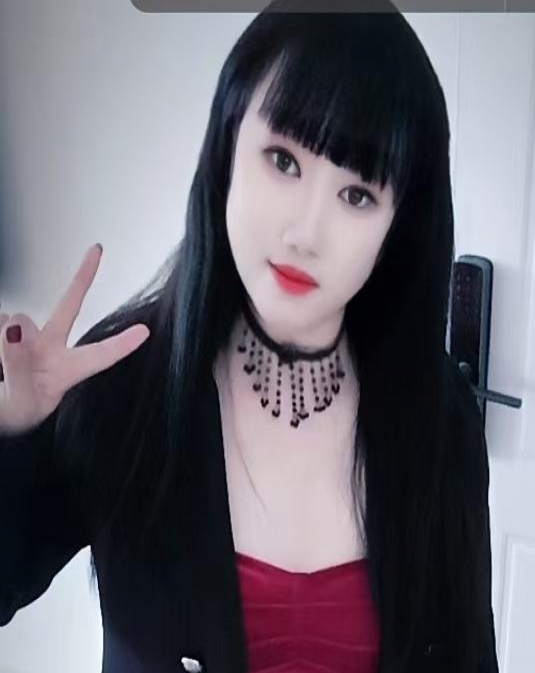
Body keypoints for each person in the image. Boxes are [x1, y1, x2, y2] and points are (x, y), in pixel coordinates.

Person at [0, 1, 500, 672]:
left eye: (357, 195)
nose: (305, 232)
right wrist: (13, 432)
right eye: (283, 160)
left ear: (397, 228)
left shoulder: (439, 418)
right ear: (226, 148)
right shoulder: (123, 381)